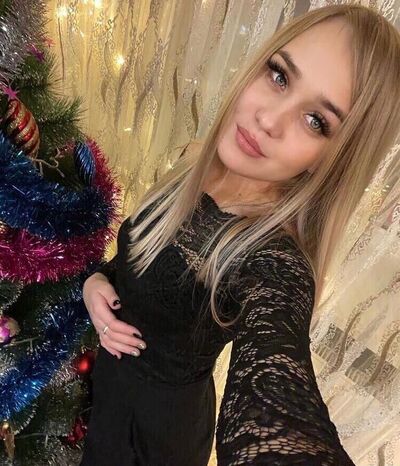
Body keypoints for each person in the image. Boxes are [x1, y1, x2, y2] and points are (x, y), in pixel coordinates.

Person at [80, 4, 400, 466]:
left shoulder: (274, 260)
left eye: (316, 121)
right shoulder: (195, 161)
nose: (269, 119)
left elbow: (276, 390)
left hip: (154, 439)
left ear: (335, 160)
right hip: (109, 387)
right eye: (279, 76)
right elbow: (141, 263)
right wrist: (97, 280)